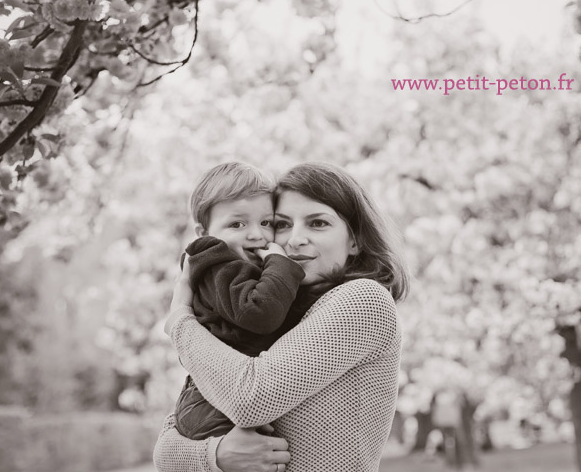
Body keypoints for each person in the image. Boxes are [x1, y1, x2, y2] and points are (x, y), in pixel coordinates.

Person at [154, 162, 409, 472]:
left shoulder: (363, 301)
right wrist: (215, 455)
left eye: (317, 223)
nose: (294, 240)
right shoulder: (279, 312)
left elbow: (250, 399)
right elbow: (167, 445)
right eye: (283, 224)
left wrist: (180, 320)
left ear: (354, 239)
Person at [174, 162, 308, 440]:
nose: (256, 234)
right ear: (204, 234)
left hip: (225, 392)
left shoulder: (241, 267)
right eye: (237, 223)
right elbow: (259, 313)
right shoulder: (215, 261)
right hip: (213, 406)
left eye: (266, 223)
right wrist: (281, 265)